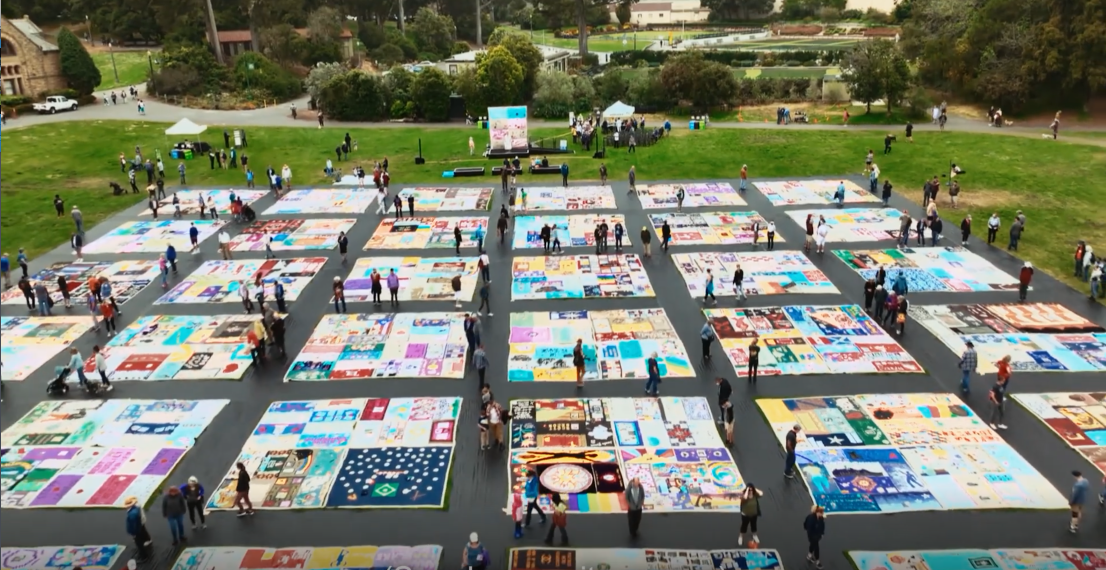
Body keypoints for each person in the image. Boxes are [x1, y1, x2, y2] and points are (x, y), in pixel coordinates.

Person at [124, 496, 152, 561]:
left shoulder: (132, 514)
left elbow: (134, 524)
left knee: (139, 543)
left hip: (136, 530)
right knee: (143, 532)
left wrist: (134, 533)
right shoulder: (136, 508)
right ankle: (147, 541)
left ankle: (144, 556)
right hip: (140, 525)